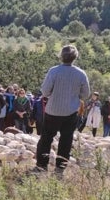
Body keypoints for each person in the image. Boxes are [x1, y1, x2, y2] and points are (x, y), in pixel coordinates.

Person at [34, 45, 90, 175]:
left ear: (61, 56)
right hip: (71, 112)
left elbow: (45, 91)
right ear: (75, 57)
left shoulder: (54, 71)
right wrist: (74, 97)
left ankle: (42, 166)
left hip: (52, 111)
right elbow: (85, 94)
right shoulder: (81, 74)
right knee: (66, 139)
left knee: (46, 138)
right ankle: (60, 168)